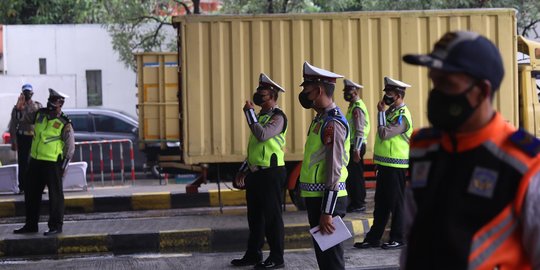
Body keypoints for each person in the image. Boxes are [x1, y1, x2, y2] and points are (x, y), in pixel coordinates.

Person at [400, 30, 540, 269]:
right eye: (435, 81)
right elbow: (412, 238)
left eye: (448, 84)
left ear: (482, 91)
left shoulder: (525, 163)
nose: (436, 94)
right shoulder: (423, 148)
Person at [231, 73, 287, 269]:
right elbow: (255, 150)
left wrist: (249, 113)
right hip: (256, 173)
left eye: (261, 93)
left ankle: (277, 257)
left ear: (271, 95)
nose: (257, 95)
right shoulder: (261, 116)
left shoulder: (278, 117)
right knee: (255, 218)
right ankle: (253, 254)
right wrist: (242, 170)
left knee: (272, 218)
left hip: (271, 173)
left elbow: (262, 135)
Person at [298, 61, 349, 270]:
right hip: (316, 198)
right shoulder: (321, 118)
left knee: (332, 259)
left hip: (328, 200)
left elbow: (334, 168)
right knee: (324, 257)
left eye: (307, 90)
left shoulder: (333, 122)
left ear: (319, 90)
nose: (304, 95)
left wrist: (327, 211)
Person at [354, 76, 412, 250]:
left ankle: (398, 238)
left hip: (396, 165)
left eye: (390, 93)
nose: (386, 95)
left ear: (399, 95)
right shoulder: (391, 112)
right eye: (386, 92)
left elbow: (384, 134)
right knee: (381, 204)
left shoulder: (402, 116)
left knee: (396, 203)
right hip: (385, 165)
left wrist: (380, 113)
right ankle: (373, 238)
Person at [13, 88, 75, 236]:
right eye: (50, 99)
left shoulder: (64, 122)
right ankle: (31, 225)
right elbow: (22, 120)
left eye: (54, 101)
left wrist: (63, 167)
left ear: (60, 103)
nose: (51, 103)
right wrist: (19, 109)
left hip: (52, 164)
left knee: (55, 196)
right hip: (35, 162)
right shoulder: (40, 114)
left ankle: (55, 226)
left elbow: (70, 147)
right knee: (31, 194)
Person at [343, 79, 370, 213]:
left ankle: (358, 203)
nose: (346, 93)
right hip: (354, 145)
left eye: (348, 91)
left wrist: (356, 149)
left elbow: (359, 130)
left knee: (355, 176)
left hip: (356, 146)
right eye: (345, 91)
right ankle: (355, 202)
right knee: (353, 175)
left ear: (355, 91)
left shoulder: (357, 108)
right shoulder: (353, 106)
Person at [9, 83, 42, 194]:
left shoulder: (37, 106)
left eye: (29, 92)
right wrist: (13, 141)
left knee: (36, 163)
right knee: (23, 163)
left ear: (32, 93)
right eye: (25, 92)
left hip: (34, 138)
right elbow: (13, 124)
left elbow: (40, 122)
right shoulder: (17, 107)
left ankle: (37, 186)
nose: (27, 94)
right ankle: (23, 187)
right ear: (22, 93)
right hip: (22, 137)